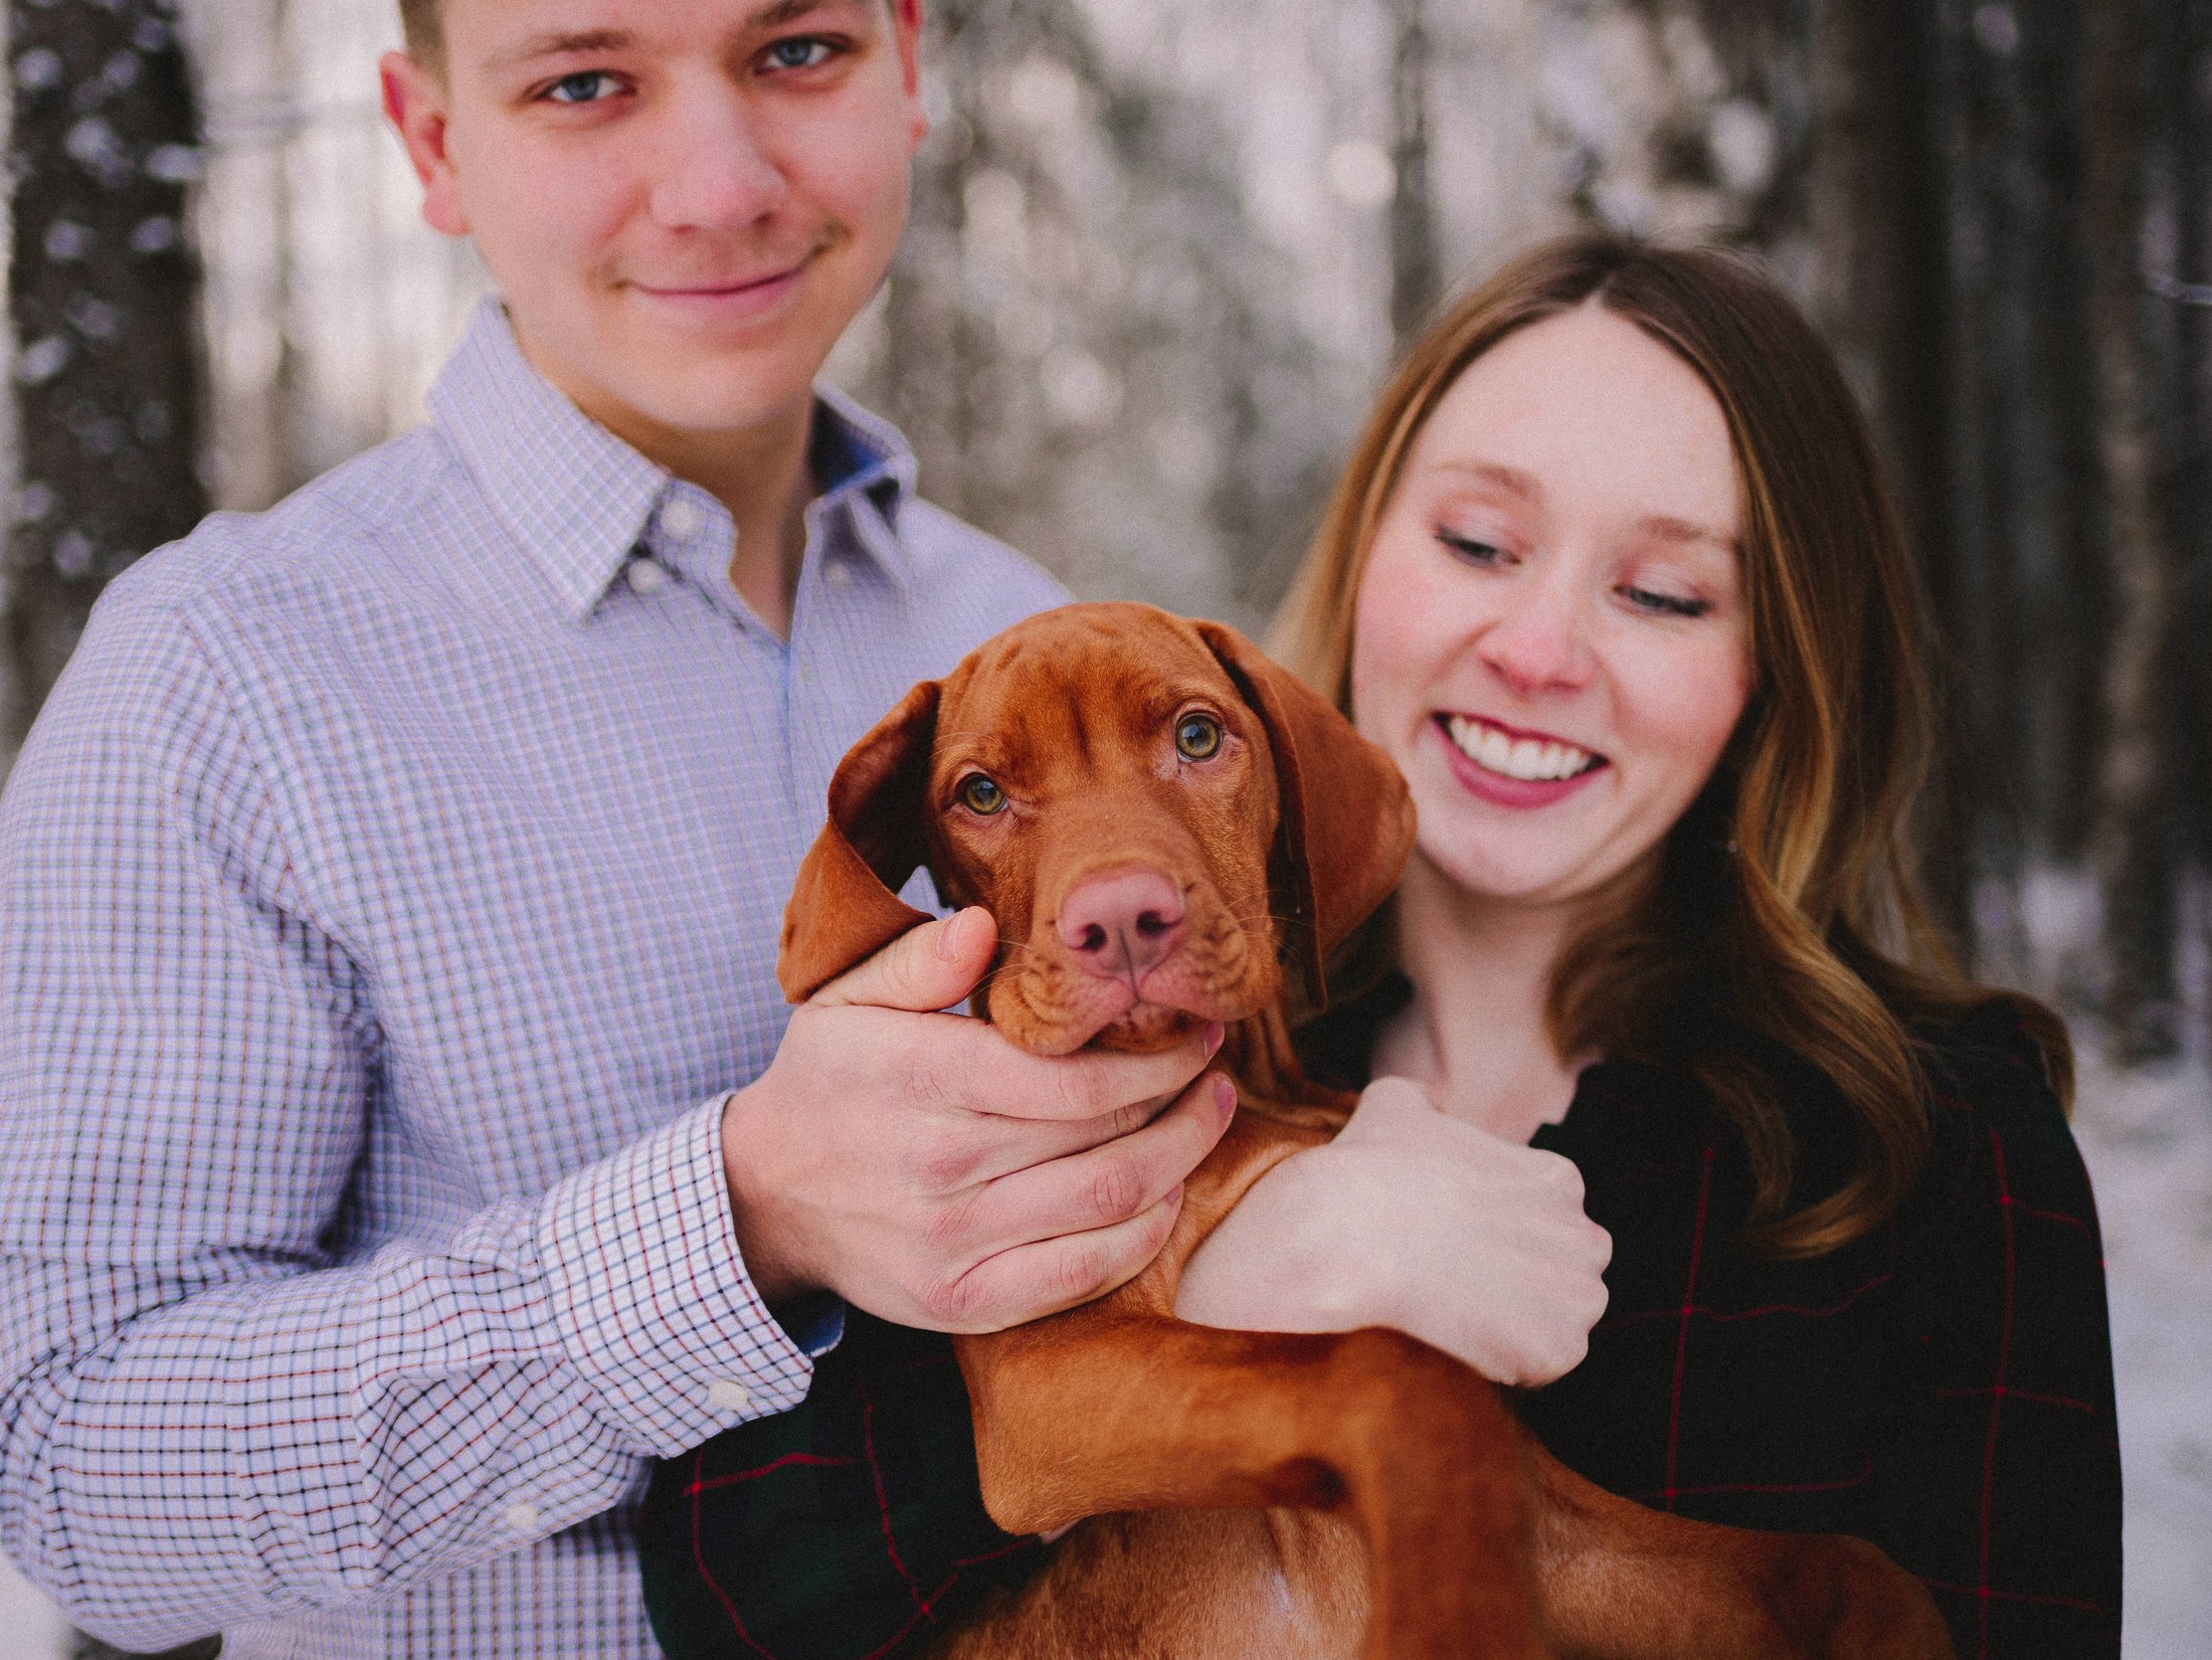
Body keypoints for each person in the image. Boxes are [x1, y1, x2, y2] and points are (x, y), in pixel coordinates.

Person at [0, 3, 1260, 1654]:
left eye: (797, 54)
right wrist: (742, 1217)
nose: (719, 187)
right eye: (583, 83)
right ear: (433, 142)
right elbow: (81, 1479)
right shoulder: (229, 674)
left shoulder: (1020, 627)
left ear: (908, 61)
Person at [638, 233, 2121, 1660]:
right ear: (1369, 553)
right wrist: (1239, 1277)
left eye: (1663, 591)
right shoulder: (1096, 1080)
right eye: (1479, 541)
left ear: (1776, 660)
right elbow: (721, 1577)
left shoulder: (1936, 1141)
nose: (1538, 650)